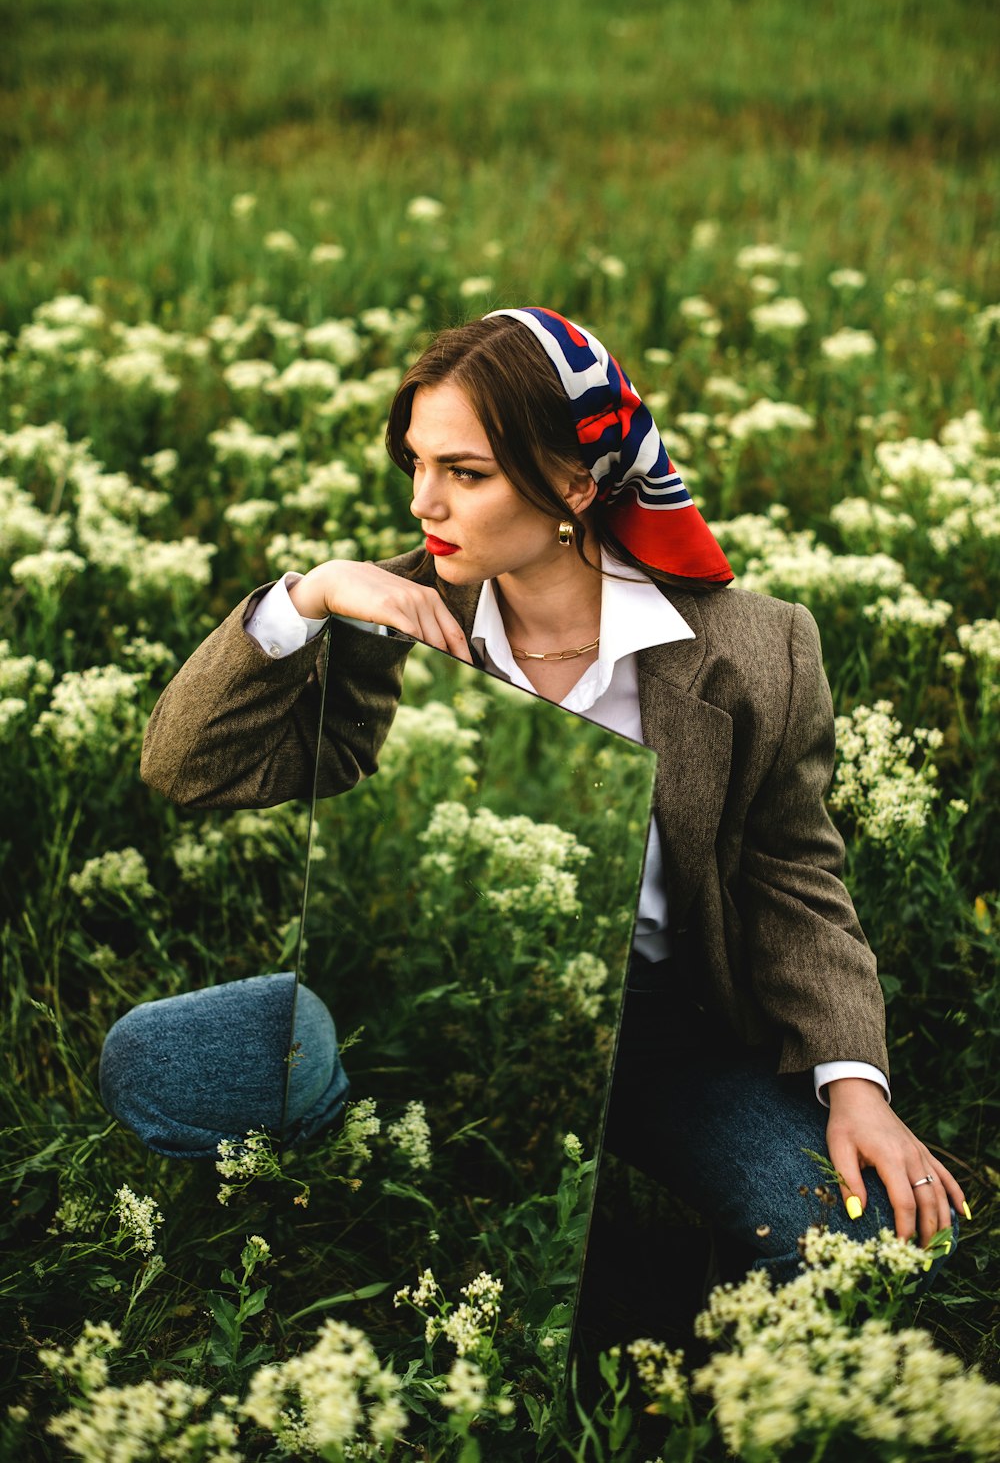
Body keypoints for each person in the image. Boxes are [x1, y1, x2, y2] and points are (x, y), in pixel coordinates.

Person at [131, 306, 968, 1277]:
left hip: (658, 1028)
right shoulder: (387, 613)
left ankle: (457, 1210)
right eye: (416, 464)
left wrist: (853, 1080)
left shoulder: (755, 647)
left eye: (465, 473)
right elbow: (183, 767)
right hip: (417, 996)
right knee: (152, 1060)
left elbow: (793, 873)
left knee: (870, 1248)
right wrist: (307, 599)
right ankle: (396, 1173)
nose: (422, 505)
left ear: (576, 480)